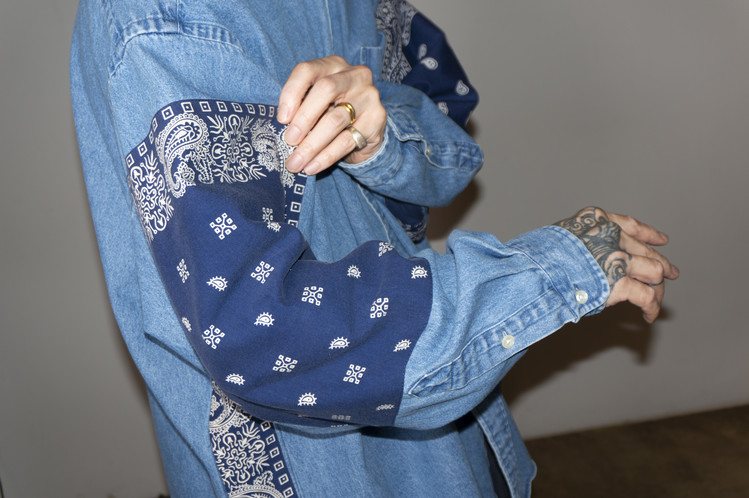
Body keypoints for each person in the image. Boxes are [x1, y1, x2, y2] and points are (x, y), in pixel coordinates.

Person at [70, 0, 678, 496]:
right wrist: (549, 274)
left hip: (454, 425)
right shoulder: (164, 17)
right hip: (320, 470)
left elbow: (448, 137)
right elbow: (262, 334)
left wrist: (379, 138)